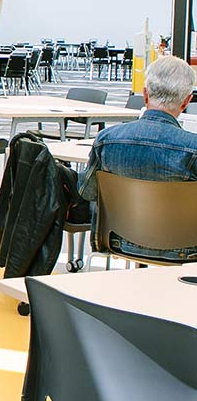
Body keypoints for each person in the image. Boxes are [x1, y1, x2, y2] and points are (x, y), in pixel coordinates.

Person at [79, 55, 197, 258]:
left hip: (119, 241)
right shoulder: (193, 148)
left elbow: (87, 192)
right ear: (187, 101)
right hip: (186, 252)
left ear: (145, 95)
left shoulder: (106, 140)